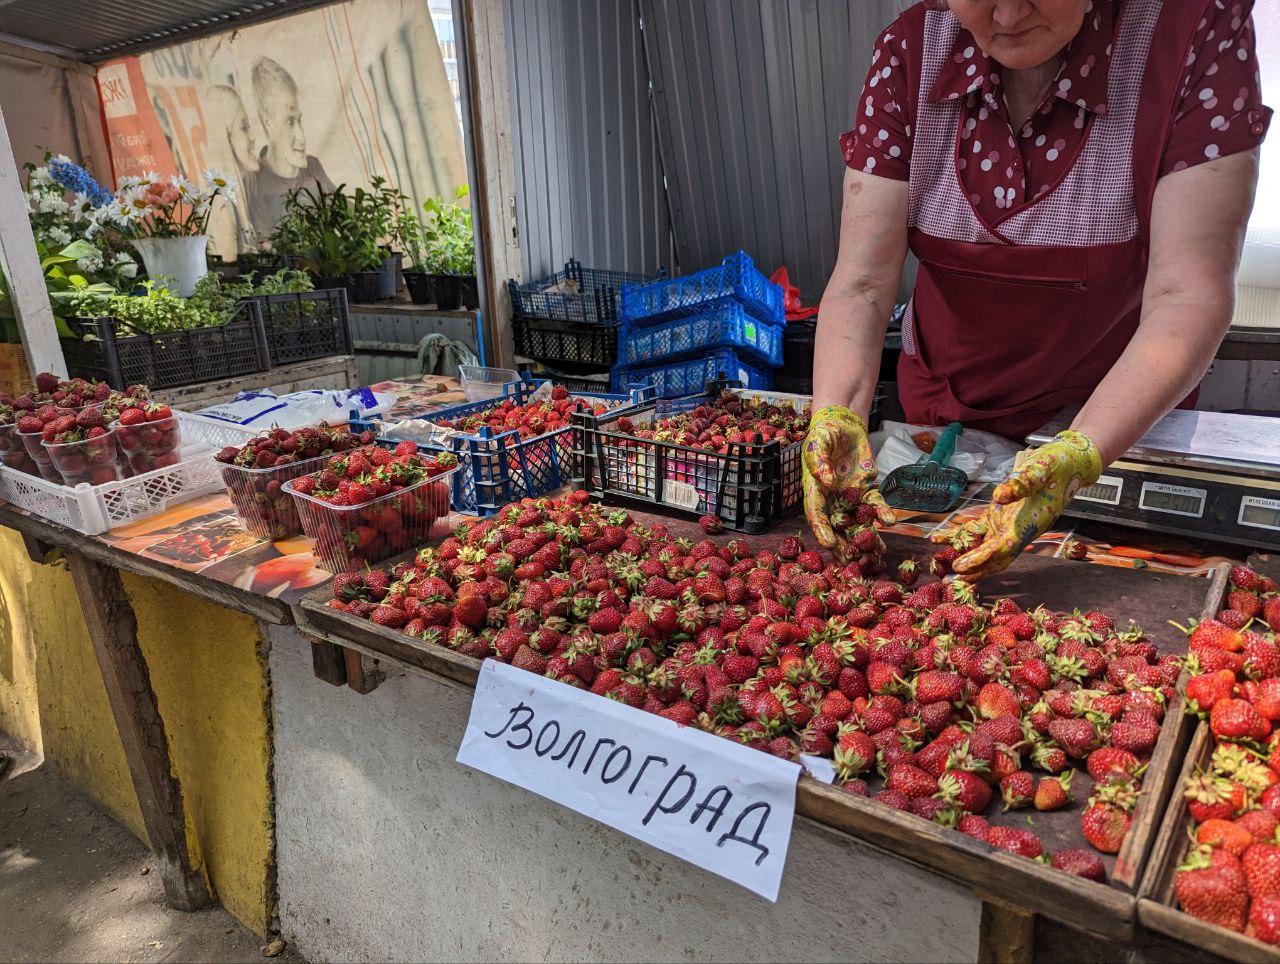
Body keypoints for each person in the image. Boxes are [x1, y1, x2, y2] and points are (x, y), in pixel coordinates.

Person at [805, 0, 1270, 580]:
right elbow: (863, 284)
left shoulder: (1191, 33)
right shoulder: (911, 54)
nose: (1007, 12)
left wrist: (1080, 452)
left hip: (1115, 423)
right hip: (948, 421)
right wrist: (835, 418)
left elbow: (1189, 296)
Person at [244, 57, 334, 235]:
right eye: (289, 121)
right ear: (268, 122)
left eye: (299, 120)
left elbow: (348, 214)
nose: (301, 136)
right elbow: (266, 250)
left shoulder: (313, 168)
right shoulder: (254, 183)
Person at [203, 84, 260, 256]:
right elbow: (230, 272)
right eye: (244, 127)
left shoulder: (236, 195)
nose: (252, 136)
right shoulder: (222, 210)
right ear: (224, 136)